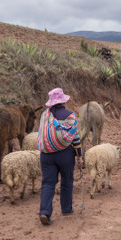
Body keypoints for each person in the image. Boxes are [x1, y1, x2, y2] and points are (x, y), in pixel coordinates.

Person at [36, 88, 82, 226]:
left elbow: (41, 133)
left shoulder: (44, 115)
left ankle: (44, 212)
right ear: (63, 101)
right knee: (67, 180)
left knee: (48, 183)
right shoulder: (70, 116)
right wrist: (79, 156)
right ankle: (66, 209)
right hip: (65, 155)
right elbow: (75, 137)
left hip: (46, 155)